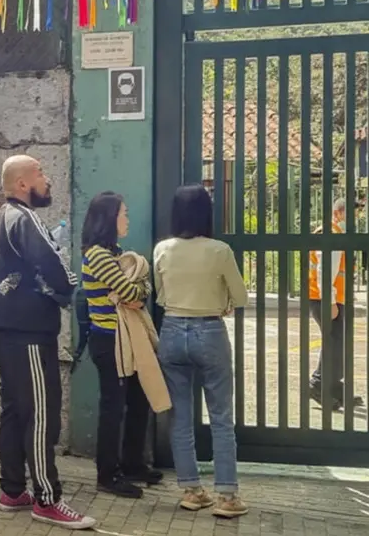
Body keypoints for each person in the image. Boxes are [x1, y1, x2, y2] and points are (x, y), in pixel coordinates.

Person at [0, 155, 95, 530]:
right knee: (41, 415)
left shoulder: (1, 219)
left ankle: (13, 490)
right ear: (22, 184)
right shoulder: (25, 217)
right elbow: (53, 265)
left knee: (16, 411)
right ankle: (47, 499)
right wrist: (67, 286)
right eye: (40, 174)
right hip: (30, 334)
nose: (47, 180)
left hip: (10, 332)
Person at [154, 184, 248, 518]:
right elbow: (241, 296)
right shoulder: (219, 250)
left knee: (180, 416)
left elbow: (161, 296)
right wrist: (222, 301)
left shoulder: (163, 248)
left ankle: (192, 491)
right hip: (209, 330)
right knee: (220, 415)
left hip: (171, 331)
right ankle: (227, 496)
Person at [80, 191, 161, 499]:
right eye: (123, 213)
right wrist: (138, 289)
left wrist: (139, 289)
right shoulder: (99, 255)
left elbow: (141, 288)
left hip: (125, 338)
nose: (127, 219)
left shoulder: (114, 253)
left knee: (138, 400)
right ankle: (107, 474)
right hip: (109, 339)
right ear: (109, 218)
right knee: (113, 407)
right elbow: (131, 292)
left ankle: (132, 463)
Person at [308, 197, 364, 411]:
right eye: (351, 215)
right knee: (333, 342)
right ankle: (318, 384)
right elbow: (325, 271)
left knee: (337, 343)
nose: (354, 220)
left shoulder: (336, 232)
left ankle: (333, 386)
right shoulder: (332, 233)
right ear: (339, 213)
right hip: (324, 299)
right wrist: (329, 301)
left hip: (330, 298)